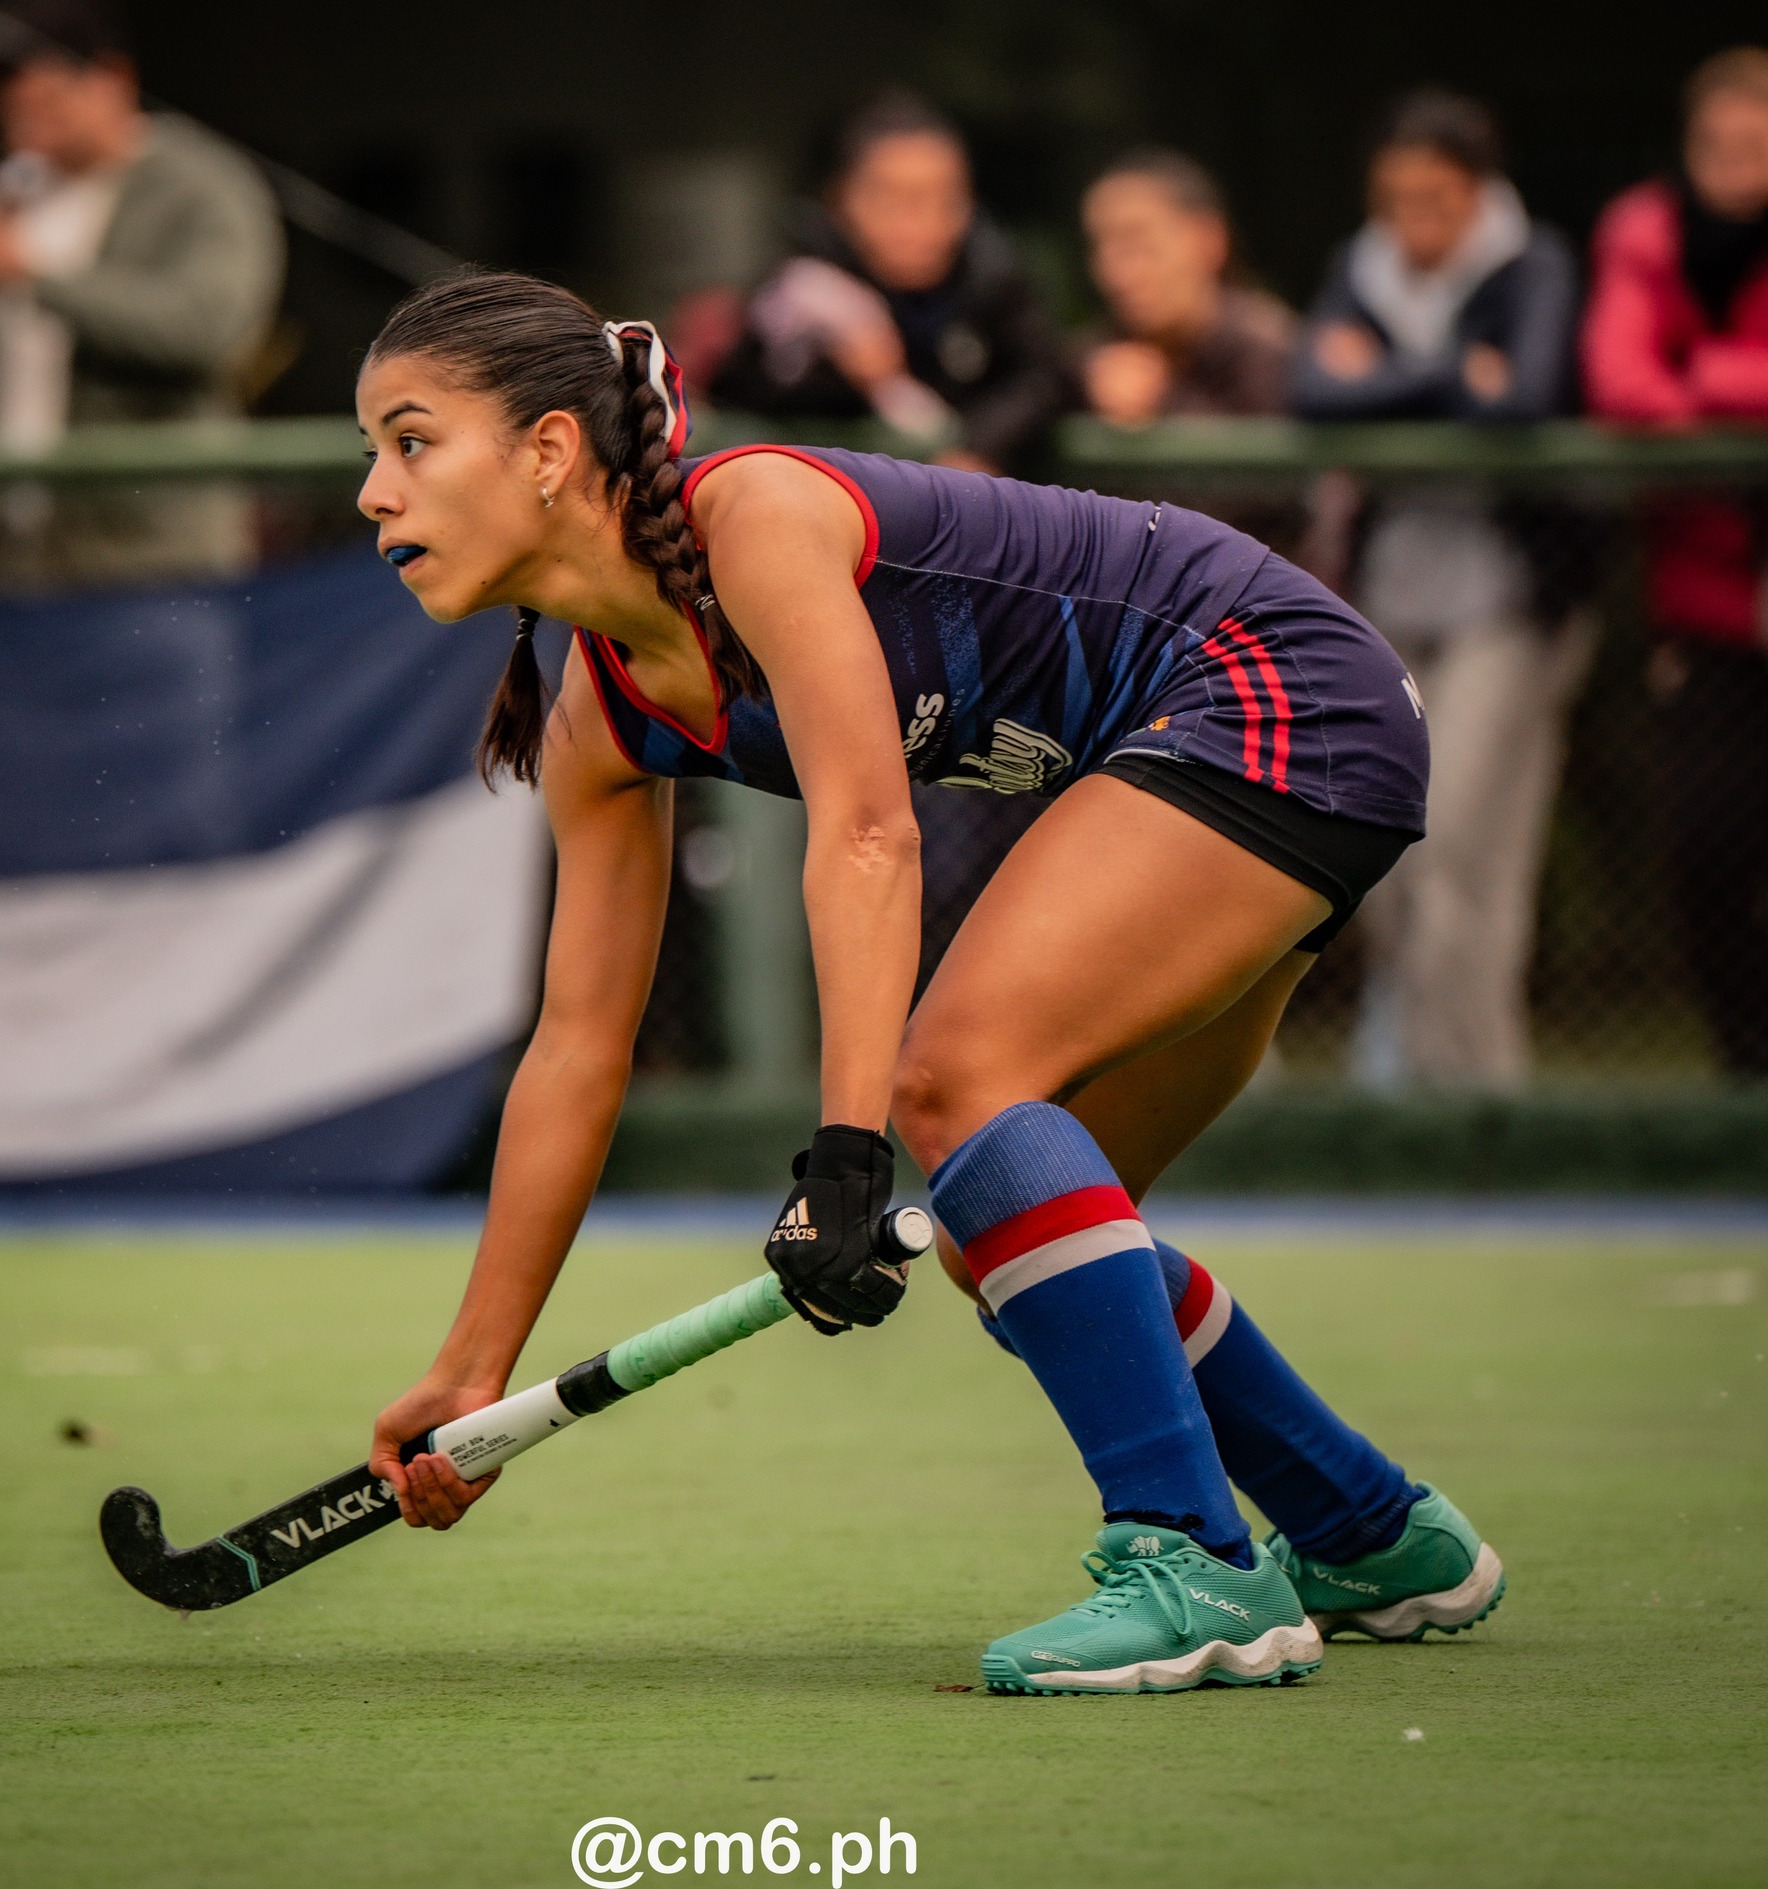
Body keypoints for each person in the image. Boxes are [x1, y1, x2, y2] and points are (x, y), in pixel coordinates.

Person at [351, 270, 1503, 1695]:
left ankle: (1194, 1557)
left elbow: (867, 834)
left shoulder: (755, 518)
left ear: (546, 450)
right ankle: (1372, 1533)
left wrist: (845, 1158)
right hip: (1255, 739)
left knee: (957, 1085)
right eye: (372, 453)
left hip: (1273, 685)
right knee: (1005, 1226)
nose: (374, 493)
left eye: (412, 442)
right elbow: (577, 1048)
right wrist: (475, 1374)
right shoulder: (602, 720)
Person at [1292, 91, 1589, 1091]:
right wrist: (1454, 373)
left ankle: (1475, 1100)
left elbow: (1524, 400)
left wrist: (1383, 377)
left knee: (1460, 846)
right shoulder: (1359, 266)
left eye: (1438, 201)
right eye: (1396, 200)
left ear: (1478, 191)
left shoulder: (1534, 263)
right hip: (1389, 600)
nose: (1414, 223)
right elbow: (1313, 393)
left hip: (1506, 602)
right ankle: (1434, 1091)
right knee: (1382, 848)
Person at [0, 0, 284, 587]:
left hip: (153, 560)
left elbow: (207, 331)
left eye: (47, 106)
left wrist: (31, 273)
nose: (30, 133)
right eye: (13, 115)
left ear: (113, 80)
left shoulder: (203, 187)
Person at [1583, 47, 1768, 1076]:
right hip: (1702, 598)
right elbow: (1619, 386)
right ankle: (1744, 1075)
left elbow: (1664, 383)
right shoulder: (1643, 232)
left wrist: (1699, 372)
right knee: (1706, 845)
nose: (1735, 163)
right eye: (1717, 143)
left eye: (1756, 145)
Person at [707, 92, 1068, 477]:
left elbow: (1046, 378)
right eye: (891, 199)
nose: (919, 223)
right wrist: (839, 370)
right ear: (840, 201)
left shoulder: (993, 276)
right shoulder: (803, 286)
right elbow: (734, 394)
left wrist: (980, 448)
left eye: (944, 197)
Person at [1078, 149, 1296, 425]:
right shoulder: (1088, 361)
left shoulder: (1274, 357)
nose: (1117, 274)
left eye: (1139, 245)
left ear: (1209, 241)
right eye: (1102, 248)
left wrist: (1161, 404)